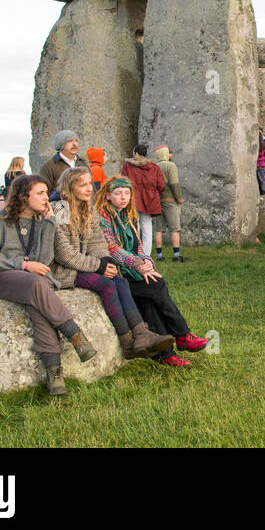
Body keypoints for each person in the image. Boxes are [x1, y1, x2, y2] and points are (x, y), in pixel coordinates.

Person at [0, 174, 99, 396]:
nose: (46, 198)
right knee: (36, 283)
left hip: (35, 281)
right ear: (24, 197)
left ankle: (55, 375)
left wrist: (49, 225)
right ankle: (74, 334)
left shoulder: (43, 221)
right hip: (1, 277)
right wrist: (23, 265)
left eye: (46, 192)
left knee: (38, 300)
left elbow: (43, 261)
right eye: (40, 193)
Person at [53, 168, 175, 360]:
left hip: (86, 264)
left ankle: (141, 334)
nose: (89, 189)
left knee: (121, 281)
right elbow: (64, 254)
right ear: (70, 187)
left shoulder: (88, 207)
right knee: (107, 285)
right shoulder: (60, 208)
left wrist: (107, 261)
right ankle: (128, 343)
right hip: (65, 270)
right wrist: (99, 266)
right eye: (82, 184)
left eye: (89, 184)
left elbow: (98, 242)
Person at [95, 177, 210, 366]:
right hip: (117, 274)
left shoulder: (127, 216)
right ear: (107, 195)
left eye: (126, 193)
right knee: (156, 284)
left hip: (133, 270)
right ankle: (182, 334)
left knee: (149, 298)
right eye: (117, 193)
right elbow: (112, 248)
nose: (123, 197)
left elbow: (138, 246)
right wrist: (139, 266)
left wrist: (146, 261)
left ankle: (164, 354)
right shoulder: (103, 218)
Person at [121, 143, 166, 259]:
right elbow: (161, 185)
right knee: (147, 227)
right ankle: (146, 255)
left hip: (133, 199)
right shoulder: (154, 167)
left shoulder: (128, 166)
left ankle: (133, 252)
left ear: (135, 153)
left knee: (132, 226)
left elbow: (123, 181)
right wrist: (154, 193)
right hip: (149, 200)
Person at [152, 144, 186, 262]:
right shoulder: (171, 166)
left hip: (158, 201)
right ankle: (176, 255)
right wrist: (179, 198)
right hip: (171, 201)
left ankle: (159, 256)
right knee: (175, 229)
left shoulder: (154, 166)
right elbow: (174, 184)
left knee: (158, 229)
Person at [39, 131, 89, 198]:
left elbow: (91, 188)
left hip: (82, 206)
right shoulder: (49, 166)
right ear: (61, 144)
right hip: (60, 206)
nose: (74, 144)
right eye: (70, 141)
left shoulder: (83, 164)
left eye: (76, 141)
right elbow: (44, 191)